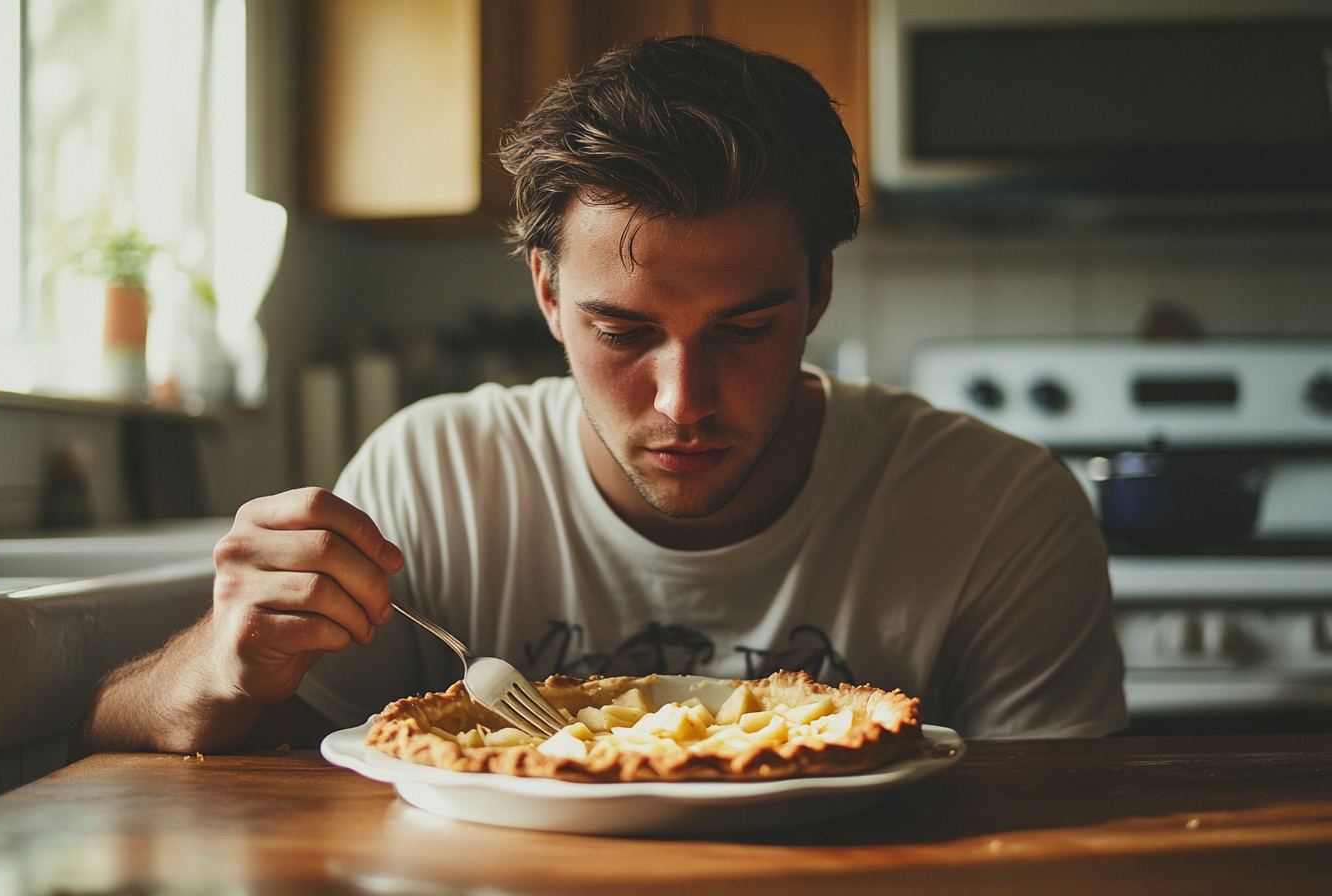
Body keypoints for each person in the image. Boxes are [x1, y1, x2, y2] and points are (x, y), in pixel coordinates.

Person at [73, 36, 1125, 757]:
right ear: (546, 292)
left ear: (819, 291)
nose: (683, 399)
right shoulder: (433, 474)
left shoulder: (1000, 509)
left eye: (746, 328)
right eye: (622, 330)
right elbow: (139, 734)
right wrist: (219, 662)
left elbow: (1065, 826)